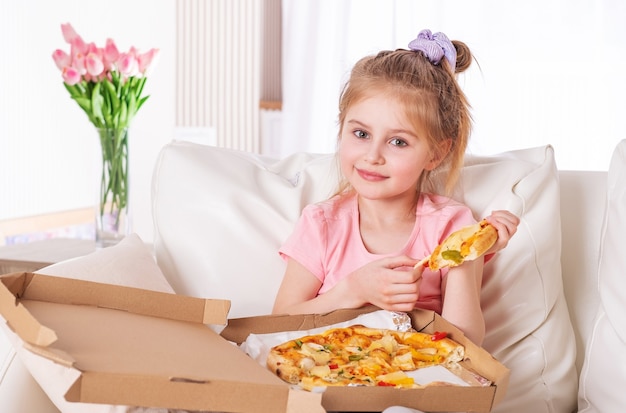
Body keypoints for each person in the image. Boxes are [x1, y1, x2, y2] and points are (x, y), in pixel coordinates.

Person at [272, 29, 519, 346]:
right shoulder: (322, 225)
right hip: (330, 374)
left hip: (417, 380)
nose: (372, 156)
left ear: (436, 154)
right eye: (361, 134)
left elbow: (467, 343)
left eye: (398, 142)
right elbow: (277, 324)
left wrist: (465, 255)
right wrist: (353, 290)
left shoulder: (450, 226)